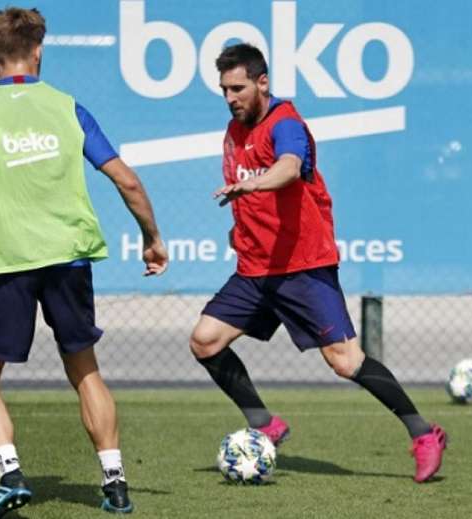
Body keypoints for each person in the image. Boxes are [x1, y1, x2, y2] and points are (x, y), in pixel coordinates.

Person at [0, 7, 168, 518]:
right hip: (70, 258)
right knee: (85, 370)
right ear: (39, 52)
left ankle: (10, 474)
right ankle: (116, 482)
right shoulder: (68, 107)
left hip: (8, 261)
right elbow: (126, 178)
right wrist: (151, 236)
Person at [189, 43, 446, 483]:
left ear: (262, 82)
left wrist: (251, 189)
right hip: (256, 270)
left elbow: (289, 167)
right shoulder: (234, 130)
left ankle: (424, 434)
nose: (230, 98)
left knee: (346, 361)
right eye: (224, 90)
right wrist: (241, 225)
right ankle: (264, 423)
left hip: (303, 267)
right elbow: (248, 192)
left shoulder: (286, 124)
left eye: (238, 87)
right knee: (205, 340)